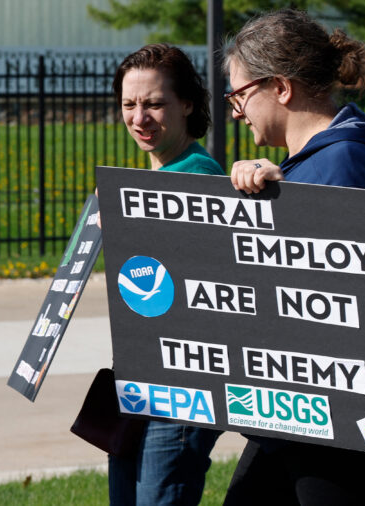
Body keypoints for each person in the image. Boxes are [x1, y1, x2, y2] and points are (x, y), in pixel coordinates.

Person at [222, 9, 365, 505]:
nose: (235, 111)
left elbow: (349, 295)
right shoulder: (310, 165)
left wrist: (293, 204)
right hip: (296, 418)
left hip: (338, 429)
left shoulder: (346, 163)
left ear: (281, 87)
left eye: (240, 95)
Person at [106, 43, 225, 506]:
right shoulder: (152, 181)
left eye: (154, 103)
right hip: (141, 379)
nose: (140, 118)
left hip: (182, 390)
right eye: (129, 105)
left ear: (188, 104)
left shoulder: (197, 179)